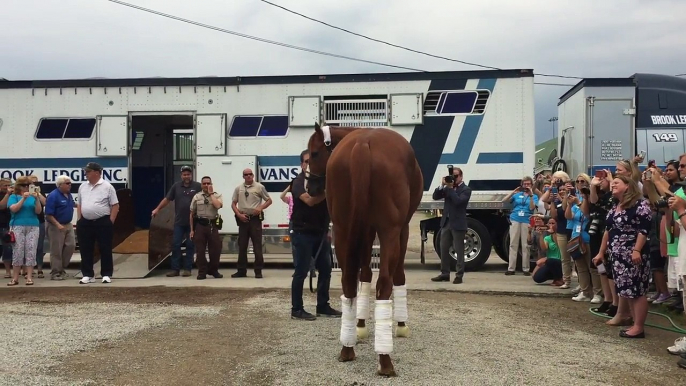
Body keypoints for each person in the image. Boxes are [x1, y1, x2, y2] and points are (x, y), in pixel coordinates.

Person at [594, 175, 652, 338]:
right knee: (626, 290)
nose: (612, 185)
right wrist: (601, 252)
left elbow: (644, 230)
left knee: (637, 289)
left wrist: (636, 250)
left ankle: (639, 327)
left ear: (628, 186)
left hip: (634, 255)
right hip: (618, 256)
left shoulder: (640, 204)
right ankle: (633, 322)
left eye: (616, 183)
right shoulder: (615, 205)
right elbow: (608, 230)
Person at [289, 151, 341, 320]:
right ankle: (296, 309)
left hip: (320, 234)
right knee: (301, 272)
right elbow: (310, 201)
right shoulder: (297, 183)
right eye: (306, 162)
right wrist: (329, 191)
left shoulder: (320, 182)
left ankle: (323, 305)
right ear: (302, 165)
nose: (309, 165)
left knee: (326, 269)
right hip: (302, 233)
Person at [152, 165, 202, 277]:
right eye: (184, 174)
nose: (186, 176)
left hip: (193, 223)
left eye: (188, 174)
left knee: (190, 245)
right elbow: (167, 199)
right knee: (175, 245)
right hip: (179, 222)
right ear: (181, 175)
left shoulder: (198, 186)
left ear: (191, 175)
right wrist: (157, 209)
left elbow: (205, 198)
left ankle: (187, 269)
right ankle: (175, 269)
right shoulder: (176, 186)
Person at [77, 162, 119, 285]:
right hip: (85, 222)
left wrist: (110, 221)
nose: (86, 174)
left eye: (88, 171)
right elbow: (80, 203)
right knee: (85, 248)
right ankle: (88, 274)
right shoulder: (82, 187)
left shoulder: (107, 187)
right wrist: (80, 219)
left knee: (105, 248)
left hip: (102, 221)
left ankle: (106, 274)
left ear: (96, 172)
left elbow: (115, 205)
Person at [431, 167, 472, 284]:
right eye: (452, 176)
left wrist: (450, 189)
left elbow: (459, 201)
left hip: (458, 223)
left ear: (461, 177)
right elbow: (435, 196)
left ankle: (459, 275)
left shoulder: (466, 189)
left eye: (456, 176)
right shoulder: (449, 188)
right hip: (446, 222)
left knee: (459, 250)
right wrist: (441, 185)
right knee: (443, 249)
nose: (453, 178)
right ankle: (445, 273)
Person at [231, 168, 272, 279]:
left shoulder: (259, 187)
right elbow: (233, 204)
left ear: (253, 175)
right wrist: (239, 214)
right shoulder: (238, 188)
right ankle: (241, 271)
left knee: (257, 246)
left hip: (255, 220)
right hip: (243, 219)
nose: (248, 176)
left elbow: (269, 200)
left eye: (250, 174)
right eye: (246, 174)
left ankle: (258, 271)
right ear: (243, 176)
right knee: (242, 246)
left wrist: (261, 207)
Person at [6, 176, 42, 286]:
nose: (26, 187)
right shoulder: (13, 197)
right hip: (17, 225)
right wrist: (23, 199)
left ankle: (29, 277)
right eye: (24, 185)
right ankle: (15, 278)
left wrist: (36, 199)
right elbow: (14, 209)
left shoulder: (33, 197)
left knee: (31, 250)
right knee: (18, 251)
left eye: (29, 185)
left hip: (33, 225)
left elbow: (38, 211)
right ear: (19, 186)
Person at [189, 176, 223, 280]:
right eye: (204, 183)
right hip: (200, 225)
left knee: (216, 250)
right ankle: (202, 272)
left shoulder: (217, 195)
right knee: (200, 250)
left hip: (212, 225)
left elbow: (218, 206)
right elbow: (191, 213)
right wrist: (191, 230)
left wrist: (211, 194)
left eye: (208, 183)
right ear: (201, 185)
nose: (206, 185)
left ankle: (213, 270)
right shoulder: (197, 197)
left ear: (211, 184)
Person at [503, 176, 538, 276]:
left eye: (528, 184)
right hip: (515, 219)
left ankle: (526, 269)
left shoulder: (534, 196)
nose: (526, 186)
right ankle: (511, 268)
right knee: (513, 243)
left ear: (531, 185)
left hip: (526, 219)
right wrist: (513, 192)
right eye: (525, 184)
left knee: (525, 245)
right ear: (522, 185)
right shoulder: (518, 195)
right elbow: (504, 200)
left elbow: (532, 207)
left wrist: (531, 195)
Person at [44, 175, 76, 280]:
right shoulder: (53, 196)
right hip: (55, 225)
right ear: (60, 185)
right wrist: (58, 225)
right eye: (67, 183)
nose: (70, 185)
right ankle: (56, 272)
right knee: (56, 250)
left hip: (68, 224)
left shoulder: (69, 195)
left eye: (70, 183)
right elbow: (48, 214)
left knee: (71, 245)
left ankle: (62, 268)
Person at [532, 217, 564, 285]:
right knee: (537, 278)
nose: (551, 225)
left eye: (553, 223)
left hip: (560, 261)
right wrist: (541, 235)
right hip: (549, 262)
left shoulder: (561, 236)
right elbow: (544, 248)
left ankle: (559, 279)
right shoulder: (547, 238)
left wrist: (553, 233)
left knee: (550, 261)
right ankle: (554, 276)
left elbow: (559, 245)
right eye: (549, 223)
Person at [28, 175, 47, 279]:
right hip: (27, 221)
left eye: (36, 183)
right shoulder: (24, 194)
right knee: (28, 247)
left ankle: (39, 268)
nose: (33, 185)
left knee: (40, 246)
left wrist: (38, 194)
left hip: (39, 221)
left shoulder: (39, 193)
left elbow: (45, 203)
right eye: (31, 183)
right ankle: (26, 269)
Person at [0, 179, 14, 278]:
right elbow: (2, 206)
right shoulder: (5, 195)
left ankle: (8, 271)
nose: (7, 187)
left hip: (8, 225)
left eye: (9, 185)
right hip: (1, 224)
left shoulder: (14, 196)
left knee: (7, 249)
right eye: (5, 185)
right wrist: (7, 194)